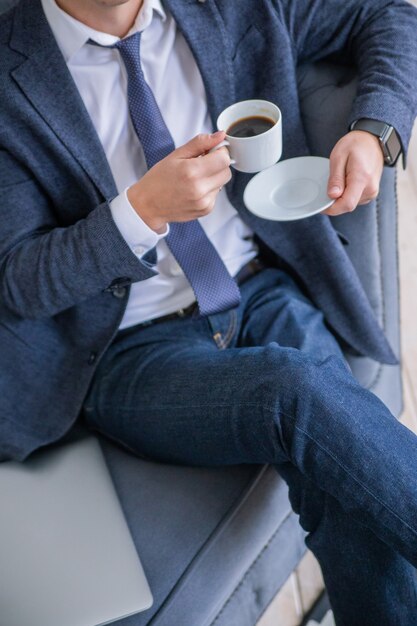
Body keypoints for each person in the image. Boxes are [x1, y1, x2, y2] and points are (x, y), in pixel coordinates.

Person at [1, 0, 417, 622]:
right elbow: (19, 282)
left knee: (339, 478)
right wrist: (138, 212)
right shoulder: (12, 74)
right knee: (299, 390)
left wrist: (375, 129)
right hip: (129, 350)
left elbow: (389, 14)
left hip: (258, 287)